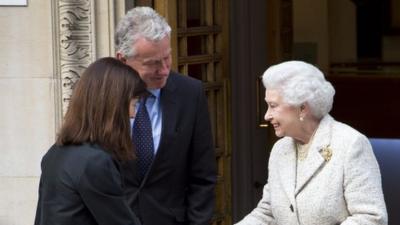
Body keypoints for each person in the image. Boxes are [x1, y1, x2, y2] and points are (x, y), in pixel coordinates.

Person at [236, 61, 388, 225]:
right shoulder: (280, 150)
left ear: (302, 108)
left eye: (273, 106)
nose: (267, 115)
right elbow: (267, 213)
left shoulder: (351, 144)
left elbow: (371, 218)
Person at [114, 6, 217, 225]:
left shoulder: (191, 93)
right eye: (152, 63)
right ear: (123, 59)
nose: (164, 70)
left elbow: (203, 176)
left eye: (167, 58)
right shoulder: (102, 97)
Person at [34, 57, 147, 225]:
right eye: (133, 104)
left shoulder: (55, 152)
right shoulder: (95, 162)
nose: (133, 114)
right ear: (114, 107)